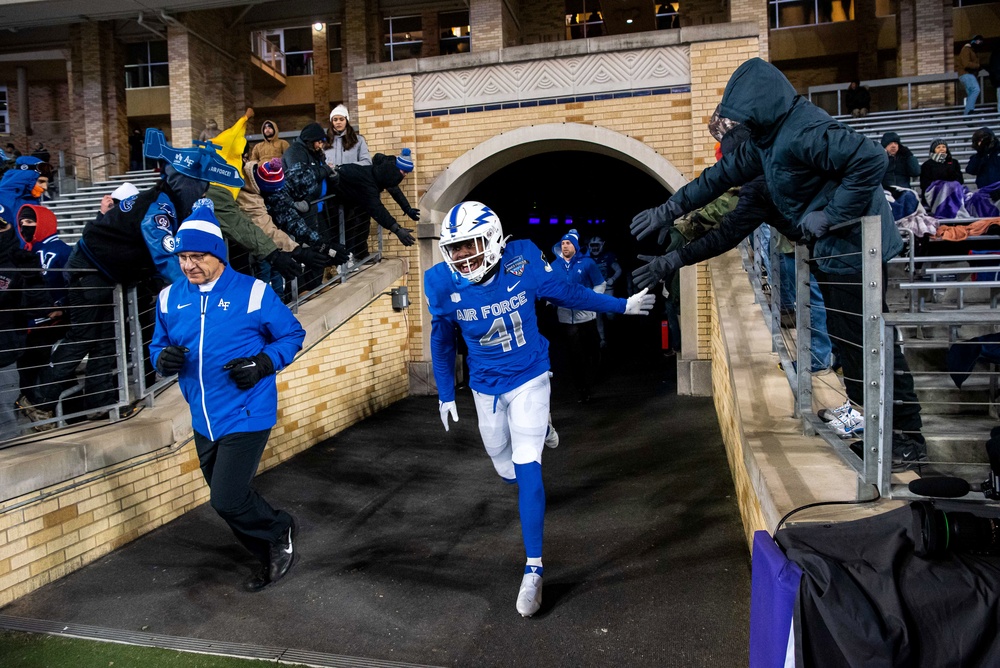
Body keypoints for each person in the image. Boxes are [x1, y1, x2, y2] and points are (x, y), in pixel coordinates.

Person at [630, 58, 926, 470]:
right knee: (852, 346)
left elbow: (871, 159)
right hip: (834, 252)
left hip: (856, 247)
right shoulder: (764, 147)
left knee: (869, 343)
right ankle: (876, 421)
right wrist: (670, 210)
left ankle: (906, 437)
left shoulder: (801, 131)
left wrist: (831, 214)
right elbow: (717, 184)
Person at [425, 201, 655, 617]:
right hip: (486, 385)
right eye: (455, 248)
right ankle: (539, 432)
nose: (462, 256)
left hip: (530, 373)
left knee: (526, 460)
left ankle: (533, 568)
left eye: (470, 245)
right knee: (502, 465)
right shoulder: (441, 282)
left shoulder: (524, 258)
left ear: (493, 240)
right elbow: (442, 339)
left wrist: (620, 306)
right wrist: (445, 392)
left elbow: (567, 292)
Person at [16, 129, 242, 429]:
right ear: (187, 184)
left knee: (107, 342)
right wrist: (193, 291)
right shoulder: (159, 208)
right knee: (84, 338)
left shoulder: (166, 202)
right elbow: (164, 255)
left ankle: (98, 404)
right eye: (200, 188)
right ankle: (38, 402)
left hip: (105, 272)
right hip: (90, 269)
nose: (202, 194)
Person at [150, 200, 305, 592]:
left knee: (227, 498)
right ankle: (269, 546)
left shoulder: (253, 292)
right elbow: (157, 347)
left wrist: (264, 364)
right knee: (226, 499)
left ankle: (278, 531)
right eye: (183, 257)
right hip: (203, 416)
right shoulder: (170, 298)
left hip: (247, 411)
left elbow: (292, 334)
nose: (189, 265)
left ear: (218, 255)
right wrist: (162, 359)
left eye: (198, 256)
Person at [14, 204, 72, 405]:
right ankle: (32, 404)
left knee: (45, 367)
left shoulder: (62, 251)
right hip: (30, 322)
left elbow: (72, 284)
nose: (24, 228)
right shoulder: (25, 251)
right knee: (26, 365)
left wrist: (62, 307)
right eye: (22, 224)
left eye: (30, 222)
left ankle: (45, 407)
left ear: (43, 223)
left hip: (53, 324)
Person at [0, 206, 44, 438]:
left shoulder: (20, 262)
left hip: (4, 352)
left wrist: (32, 277)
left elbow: (39, 306)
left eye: (0, 226)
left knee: (4, 417)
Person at [335, 149, 419, 258]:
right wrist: (397, 230)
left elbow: (394, 190)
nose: (406, 175)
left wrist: (407, 208)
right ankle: (346, 260)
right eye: (404, 172)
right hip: (336, 199)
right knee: (349, 226)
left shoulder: (387, 168)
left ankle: (356, 255)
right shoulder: (371, 184)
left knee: (358, 224)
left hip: (351, 198)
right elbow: (378, 209)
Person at [553, 229, 604, 402]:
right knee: (575, 354)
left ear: (575, 246)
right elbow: (548, 287)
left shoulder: (587, 263)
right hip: (566, 319)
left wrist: (592, 300)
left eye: (568, 243)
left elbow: (600, 284)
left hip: (587, 317)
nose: (565, 246)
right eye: (563, 243)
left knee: (593, 350)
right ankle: (582, 388)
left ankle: (591, 379)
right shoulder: (554, 266)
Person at [587, 235, 623, 348]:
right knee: (597, 315)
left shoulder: (608, 256)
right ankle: (602, 339)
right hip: (594, 291)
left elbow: (618, 270)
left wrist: (612, 279)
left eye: (597, 245)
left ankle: (614, 331)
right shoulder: (586, 258)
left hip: (607, 289)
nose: (595, 248)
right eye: (592, 245)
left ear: (602, 245)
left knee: (610, 313)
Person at [919, 139, 966, 217]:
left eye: (944, 147)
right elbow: (924, 184)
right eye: (938, 147)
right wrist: (941, 185)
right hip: (935, 192)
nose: (942, 149)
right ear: (933, 150)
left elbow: (960, 180)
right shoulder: (927, 165)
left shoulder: (954, 162)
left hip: (953, 190)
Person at [956, 35, 984, 116]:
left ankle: (968, 117)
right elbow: (966, 64)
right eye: (979, 41)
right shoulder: (966, 49)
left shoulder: (972, 51)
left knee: (971, 94)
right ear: (974, 41)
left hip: (967, 75)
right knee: (976, 89)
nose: (980, 43)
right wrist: (978, 66)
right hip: (966, 74)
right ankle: (968, 111)